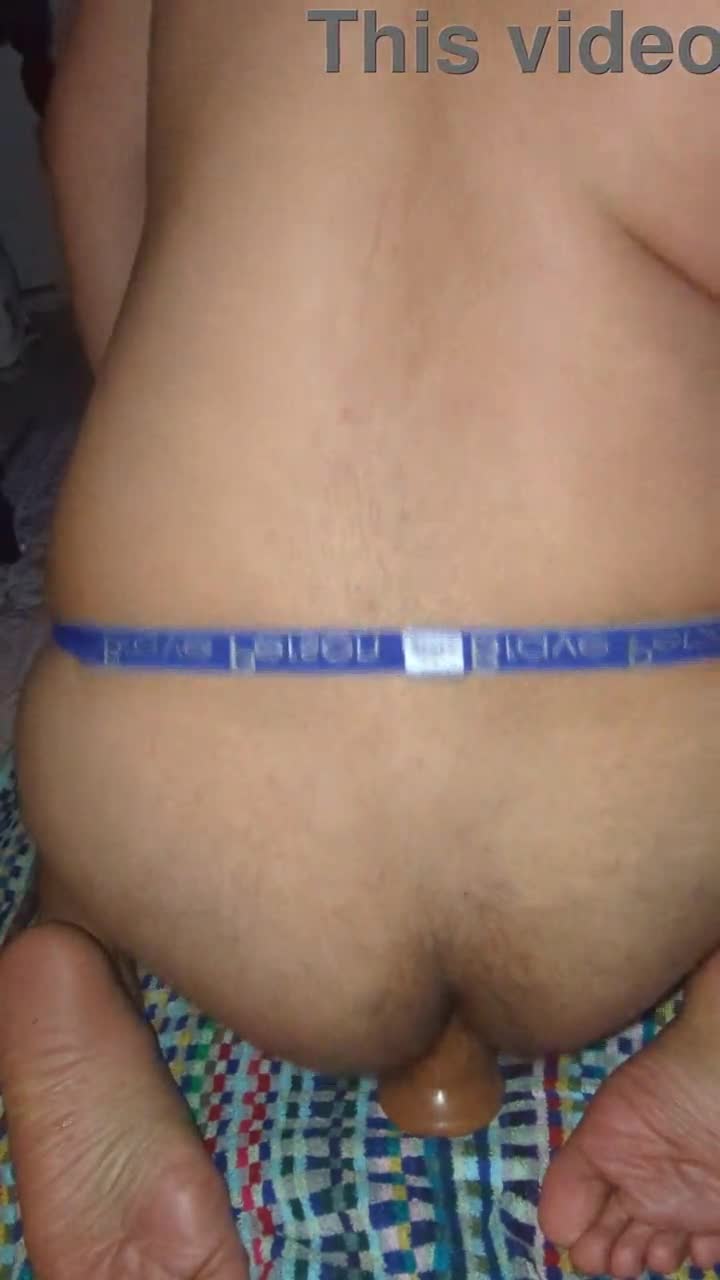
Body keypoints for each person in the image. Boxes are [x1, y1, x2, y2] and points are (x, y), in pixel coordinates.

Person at [2, 1, 720, 1276]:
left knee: (120, 688)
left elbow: (90, 144)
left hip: (170, 741)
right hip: (633, 765)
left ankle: (78, 942)